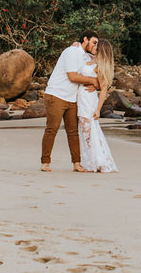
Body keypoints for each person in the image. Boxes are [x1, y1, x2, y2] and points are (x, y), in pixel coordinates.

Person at [40, 31, 99, 172]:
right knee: (52, 129)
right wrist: (92, 81)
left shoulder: (84, 55)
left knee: (73, 132)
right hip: (56, 95)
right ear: (85, 39)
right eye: (94, 42)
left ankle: (77, 163)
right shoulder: (71, 52)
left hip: (72, 98)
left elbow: (96, 63)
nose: (95, 45)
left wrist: (95, 83)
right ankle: (45, 162)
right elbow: (72, 76)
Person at [76, 38, 118, 173]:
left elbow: (104, 89)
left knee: (88, 129)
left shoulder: (100, 65)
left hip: (88, 100)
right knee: (86, 129)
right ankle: (93, 160)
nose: (93, 46)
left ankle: (96, 161)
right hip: (81, 97)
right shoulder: (89, 58)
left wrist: (98, 109)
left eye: (96, 45)